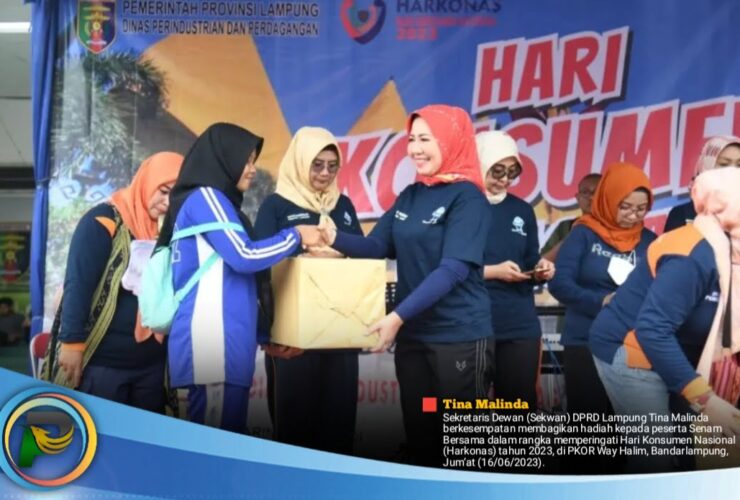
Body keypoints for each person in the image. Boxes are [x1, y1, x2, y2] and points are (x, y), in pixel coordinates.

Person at [315, 104, 492, 467]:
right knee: (423, 427)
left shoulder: (468, 198)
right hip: (415, 342)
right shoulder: (411, 195)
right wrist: (332, 237)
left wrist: (396, 317)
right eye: (412, 139)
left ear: (450, 141)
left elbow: (453, 269)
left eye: (426, 139)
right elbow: (377, 245)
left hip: (458, 340)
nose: (415, 149)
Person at [158, 123, 324, 433]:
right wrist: (296, 235)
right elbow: (244, 256)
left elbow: (236, 281)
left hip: (226, 347)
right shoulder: (206, 198)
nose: (252, 169)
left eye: (253, 161)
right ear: (224, 159)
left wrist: (264, 337)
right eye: (245, 160)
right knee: (214, 448)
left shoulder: (216, 203)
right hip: (213, 348)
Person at [590, 167, 740, 472]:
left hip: (675, 355)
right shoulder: (693, 253)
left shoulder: (732, 253)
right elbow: (652, 330)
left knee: (686, 454)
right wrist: (705, 399)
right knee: (655, 459)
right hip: (632, 352)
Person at [254, 126, 364, 453]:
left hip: (340, 330)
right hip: (292, 334)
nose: (325, 173)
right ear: (300, 162)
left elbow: (363, 253)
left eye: (332, 166)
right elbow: (260, 263)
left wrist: (336, 250)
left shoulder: (343, 205)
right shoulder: (276, 205)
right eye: (317, 165)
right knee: (294, 430)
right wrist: (302, 249)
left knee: (340, 427)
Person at [49, 152, 183, 413]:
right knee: (100, 433)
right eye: (163, 191)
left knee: (147, 437)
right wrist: (72, 344)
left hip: (152, 367)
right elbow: (78, 283)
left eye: (175, 196)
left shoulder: (169, 231)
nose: (168, 203)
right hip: (103, 364)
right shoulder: (104, 221)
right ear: (147, 182)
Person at [548, 162, 656, 472]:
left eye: (641, 209)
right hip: (585, 341)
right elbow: (558, 283)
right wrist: (601, 301)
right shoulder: (583, 234)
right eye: (625, 207)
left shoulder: (650, 241)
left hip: (632, 345)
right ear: (609, 199)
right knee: (588, 426)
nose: (633, 216)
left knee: (630, 431)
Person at [475, 130, 555, 410]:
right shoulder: (461, 206)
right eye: (497, 171)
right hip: (472, 324)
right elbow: (446, 268)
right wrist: (492, 271)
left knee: (517, 411)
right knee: (464, 412)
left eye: (513, 172)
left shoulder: (522, 210)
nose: (505, 180)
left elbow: (530, 258)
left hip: (519, 325)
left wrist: (541, 269)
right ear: (480, 162)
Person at [664, 136, 740, 233]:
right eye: (724, 164)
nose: (733, 170)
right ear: (706, 167)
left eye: (739, 165)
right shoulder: (682, 214)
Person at [541, 173, 602, 262]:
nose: (591, 197)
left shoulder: (616, 228)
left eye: (597, 192)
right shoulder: (566, 226)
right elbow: (543, 262)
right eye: (585, 192)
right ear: (578, 198)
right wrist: (573, 237)